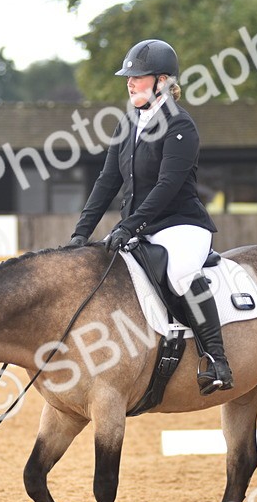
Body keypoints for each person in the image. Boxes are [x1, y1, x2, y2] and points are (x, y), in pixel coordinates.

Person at [68, 39, 233, 395]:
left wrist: (129, 225)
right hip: (142, 228)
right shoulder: (127, 124)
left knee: (180, 273)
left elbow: (168, 185)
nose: (130, 83)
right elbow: (107, 181)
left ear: (161, 80)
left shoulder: (181, 125)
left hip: (181, 225)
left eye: (138, 77)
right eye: (128, 77)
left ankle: (216, 360)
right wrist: (80, 235)